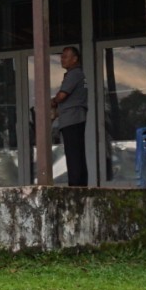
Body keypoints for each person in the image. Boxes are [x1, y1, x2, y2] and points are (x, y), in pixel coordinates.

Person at [48, 44, 90, 185]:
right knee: (78, 153)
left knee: (73, 155)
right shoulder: (80, 75)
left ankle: (75, 186)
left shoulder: (74, 74)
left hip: (72, 119)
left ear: (75, 59)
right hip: (76, 117)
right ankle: (80, 185)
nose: (62, 59)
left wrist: (53, 102)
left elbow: (62, 95)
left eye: (65, 57)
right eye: (61, 57)